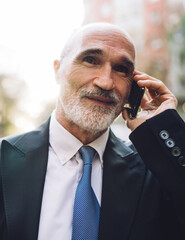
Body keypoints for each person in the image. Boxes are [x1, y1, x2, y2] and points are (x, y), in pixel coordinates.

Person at [0, 22, 185, 240]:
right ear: (58, 70)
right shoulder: (4, 160)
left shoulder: (155, 171)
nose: (106, 82)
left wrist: (166, 128)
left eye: (121, 69)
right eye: (90, 60)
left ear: (133, 88)